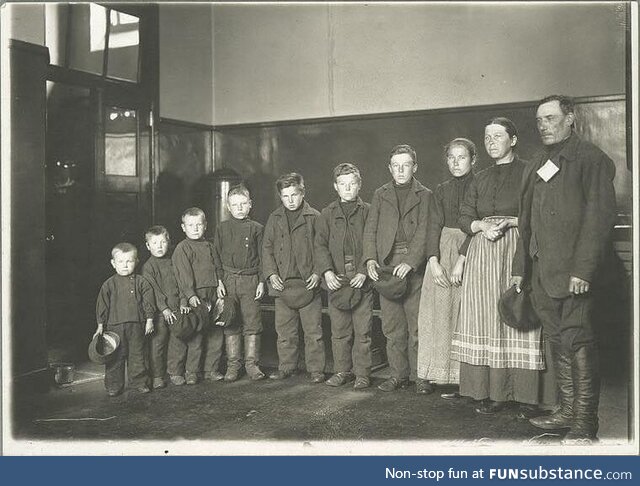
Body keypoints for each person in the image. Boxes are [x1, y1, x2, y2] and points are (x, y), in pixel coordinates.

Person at [512, 95, 616, 443]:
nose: (544, 125)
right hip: (542, 272)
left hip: (575, 273)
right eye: (539, 119)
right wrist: (520, 267)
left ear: (571, 118)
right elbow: (525, 220)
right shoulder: (537, 161)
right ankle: (567, 411)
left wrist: (583, 271)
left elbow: (599, 219)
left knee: (578, 339)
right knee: (556, 338)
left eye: (551, 118)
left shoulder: (591, 159)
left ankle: (585, 422)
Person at [451, 117, 546, 415]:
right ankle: (491, 392)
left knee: (515, 314)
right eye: (487, 136)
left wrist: (511, 222)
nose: (491, 141)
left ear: (513, 140)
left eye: (498, 136)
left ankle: (524, 395)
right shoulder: (479, 178)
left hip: (516, 248)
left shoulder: (529, 171)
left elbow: (539, 212)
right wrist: (479, 225)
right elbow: (464, 216)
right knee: (485, 319)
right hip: (482, 252)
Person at [363, 144, 432, 392]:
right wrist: (370, 259)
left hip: (413, 269)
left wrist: (411, 262)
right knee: (392, 327)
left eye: (406, 165)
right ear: (389, 168)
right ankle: (398, 375)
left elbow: (425, 233)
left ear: (415, 167)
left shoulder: (425, 195)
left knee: (417, 327)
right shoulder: (380, 194)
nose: (401, 170)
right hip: (386, 269)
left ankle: (421, 377)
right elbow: (370, 230)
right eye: (396, 166)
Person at [416, 138, 475, 396]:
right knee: (435, 313)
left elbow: (479, 225)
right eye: (451, 157)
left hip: (472, 251)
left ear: (473, 160)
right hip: (441, 253)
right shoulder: (440, 190)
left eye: (461, 157)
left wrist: (463, 258)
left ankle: (468, 378)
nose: (456, 163)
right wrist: (433, 261)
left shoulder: (481, 185)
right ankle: (433, 374)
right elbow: (432, 226)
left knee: (465, 313)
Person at [262, 173, 326, 382]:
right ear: (280, 197)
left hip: (308, 284)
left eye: (294, 195)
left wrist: (318, 273)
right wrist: (271, 274)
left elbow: (322, 249)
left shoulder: (315, 217)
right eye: (285, 196)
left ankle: (316, 369)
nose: (290, 200)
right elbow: (267, 248)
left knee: (313, 332)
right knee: (285, 332)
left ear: (303, 193)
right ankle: (287, 366)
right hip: (282, 286)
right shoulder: (275, 218)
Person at [315, 163, 373, 389]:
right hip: (337, 281)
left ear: (359, 185)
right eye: (342, 184)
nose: (347, 188)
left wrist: (363, 271)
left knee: (363, 331)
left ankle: (362, 374)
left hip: (361, 282)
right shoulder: (327, 214)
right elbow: (319, 246)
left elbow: (373, 242)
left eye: (352, 183)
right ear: (335, 187)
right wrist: (327, 272)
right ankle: (342, 371)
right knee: (339, 332)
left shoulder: (369, 211)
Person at [213, 184, 266, 382]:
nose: (240, 208)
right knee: (231, 322)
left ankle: (252, 365)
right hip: (228, 281)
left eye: (244, 204)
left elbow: (263, 258)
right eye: (235, 205)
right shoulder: (222, 228)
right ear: (228, 206)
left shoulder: (257, 229)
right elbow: (216, 257)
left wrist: (261, 282)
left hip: (251, 280)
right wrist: (219, 281)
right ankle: (233, 366)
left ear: (250, 204)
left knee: (252, 323)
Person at [94, 242, 155, 396]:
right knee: (115, 357)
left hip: (137, 326)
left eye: (129, 261)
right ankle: (114, 386)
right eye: (120, 261)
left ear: (136, 262)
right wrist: (100, 325)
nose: (125, 265)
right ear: (113, 263)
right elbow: (102, 305)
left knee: (138, 355)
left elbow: (149, 302)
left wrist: (149, 319)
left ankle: (139, 382)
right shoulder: (108, 284)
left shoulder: (142, 282)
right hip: (114, 327)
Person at [172, 207, 218, 384]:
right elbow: (183, 275)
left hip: (212, 293)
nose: (195, 228)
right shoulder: (182, 249)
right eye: (191, 225)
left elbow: (217, 267)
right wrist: (190, 295)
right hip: (196, 296)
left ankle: (211, 369)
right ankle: (192, 371)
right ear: (183, 227)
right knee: (196, 336)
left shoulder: (209, 246)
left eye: (199, 224)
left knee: (215, 334)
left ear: (205, 225)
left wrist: (219, 283)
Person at [141, 225, 187, 388]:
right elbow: (153, 291)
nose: (159, 246)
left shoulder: (175, 260)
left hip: (178, 308)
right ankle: (158, 375)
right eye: (154, 243)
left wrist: (183, 300)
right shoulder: (148, 267)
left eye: (162, 242)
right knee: (158, 344)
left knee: (178, 340)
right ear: (148, 246)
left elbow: (183, 282)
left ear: (169, 242)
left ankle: (175, 371)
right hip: (160, 313)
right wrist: (164, 309)